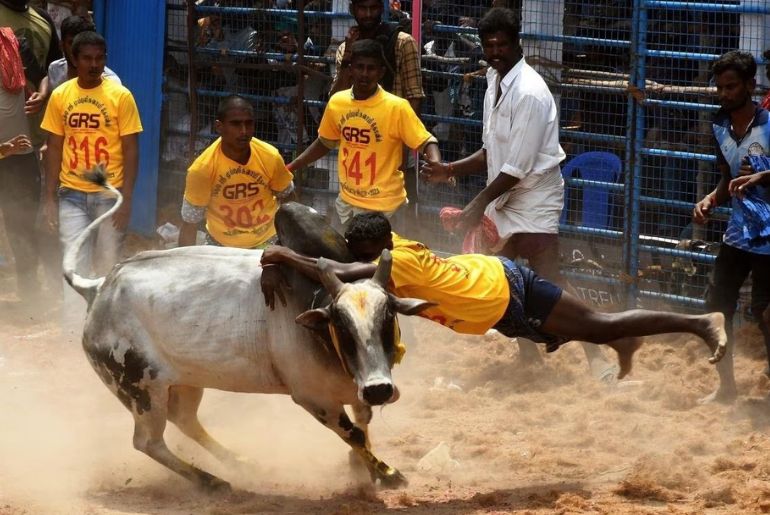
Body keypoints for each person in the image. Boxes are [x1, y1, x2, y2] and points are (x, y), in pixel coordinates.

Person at [260, 211, 728, 380]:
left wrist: (281, 254)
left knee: (600, 324)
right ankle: (623, 341)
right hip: (496, 299)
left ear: (379, 248)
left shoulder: (393, 260)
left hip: (509, 288)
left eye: (368, 256)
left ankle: (699, 323)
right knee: (596, 328)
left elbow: (335, 269)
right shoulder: (394, 242)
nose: (368, 267)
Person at [420, 7, 618, 376]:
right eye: (489, 45)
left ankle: (597, 357)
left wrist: (476, 206)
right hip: (503, 197)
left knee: (550, 280)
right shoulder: (494, 82)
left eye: (502, 44)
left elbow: (517, 167)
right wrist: (447, 170)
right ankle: (528, 357)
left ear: (517, 43)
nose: (495, 51)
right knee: (505, 282)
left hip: (535, 196)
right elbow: (489, 152)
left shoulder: (529, 91)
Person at [288, 39, 441, 230]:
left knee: (386, 259)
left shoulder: (396, 107)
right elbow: (324, 142)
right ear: (350, 69)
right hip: (347, 208)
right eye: (360, 67)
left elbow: (426, 140)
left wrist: (437, 163)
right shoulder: (337, 102)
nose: (365, 74)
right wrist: (292, 166)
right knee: (342, 257)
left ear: (381, 72)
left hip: (387, 210)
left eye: (371, 68)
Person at [692, 51, 770, 404]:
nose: (724, 93)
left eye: (732, 86)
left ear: (751, 85)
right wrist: (710, 199)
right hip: (738, 234)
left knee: (765, 313)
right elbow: (727, 181)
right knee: (717, 308)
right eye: (720, 87)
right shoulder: (719, 126)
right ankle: (726, 387)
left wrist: (763, 175)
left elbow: (754, 177)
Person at [41, 31, 142, 282]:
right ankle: (73, 322)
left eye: (99, 58)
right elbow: (54, 147)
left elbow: (131, 149)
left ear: (106, 58)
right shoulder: (61, 95)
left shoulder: (121, 96)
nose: (94, 65)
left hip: (110, 194)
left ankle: (102, 321)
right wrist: (50, 197)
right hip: (71, 195)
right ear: (74, 60)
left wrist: (126, 199)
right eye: (87, 58)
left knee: (109, 267)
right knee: (73, 266)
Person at [0, 0, 61, 305]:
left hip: (20, 145)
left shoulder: (29, 32)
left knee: (20, 217)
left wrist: (44, 92)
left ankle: (29, 290)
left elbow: (45, 73)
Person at [178, 95, 295, 248]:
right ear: (219, 127)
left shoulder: (270, 156)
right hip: (220, 246)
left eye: (249, 123)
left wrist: (291, 244)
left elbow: (289, 199)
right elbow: (190, 221)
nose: (244, 131)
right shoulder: (202, 169)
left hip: (268, 242)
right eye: (236, 124)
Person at [45, 15, 121, 91]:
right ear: (61, 45)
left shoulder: (112, 83)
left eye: (83, 45)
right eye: (71, 43)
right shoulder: (55, 70)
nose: (76, 49)